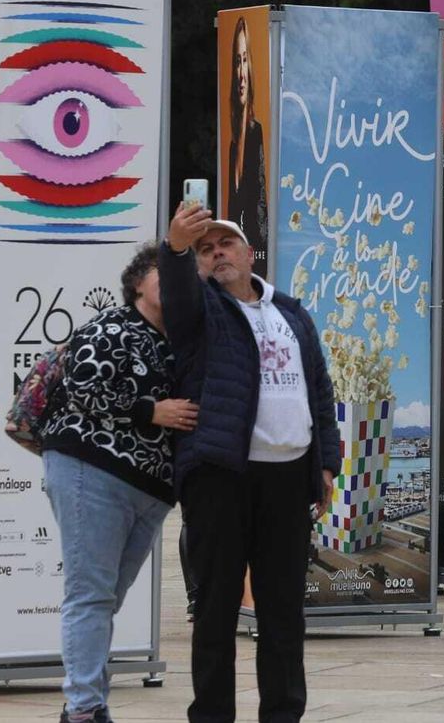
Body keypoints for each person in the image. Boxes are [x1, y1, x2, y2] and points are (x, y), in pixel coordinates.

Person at [162, 203, 339, 723]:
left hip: (288, 477)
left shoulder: (291, 313)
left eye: (225, 245)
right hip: (223, 474)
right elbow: (175, 295)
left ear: (248, 252)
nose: (217, 255)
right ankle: (212, 716)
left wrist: (325, 462)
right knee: (215, 609)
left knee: (284, 611)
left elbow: (320, 391)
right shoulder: (202, 312)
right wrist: (175, 249)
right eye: (206, 250)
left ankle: (284, 714)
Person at [41, 243, 199, 723]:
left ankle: (90, 699)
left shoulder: (183, 339)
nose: (172, 281)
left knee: (105, 598)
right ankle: (84, 708)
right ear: (136, 286)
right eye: (160, 273)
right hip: (95, 471)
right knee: (90, 594)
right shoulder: (111, 327)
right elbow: (81, 386)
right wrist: (151, 411)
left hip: (151, 491)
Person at [226, 16, 268, 264]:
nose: (241, 73)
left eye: (245, 60)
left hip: (257, 262)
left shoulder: (256, 133)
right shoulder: (234, 143)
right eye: (236, 62)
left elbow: (260, 205)